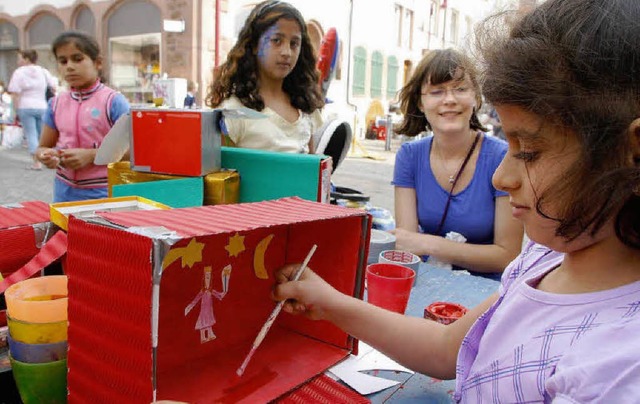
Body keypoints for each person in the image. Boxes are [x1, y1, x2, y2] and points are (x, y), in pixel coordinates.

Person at [272, 0, 640, 400]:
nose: (502, 177)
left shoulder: (616, 373)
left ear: (632, 154)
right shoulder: (542, 259)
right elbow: (448, 348)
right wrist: (329, 302)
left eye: (529, 152)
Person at [391, 49, 523, 279]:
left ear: (476, 97)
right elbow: (406, 244)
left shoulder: (502, 157)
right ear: (421, 103)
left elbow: (507, 255)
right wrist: (417, 244)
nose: (449, 100)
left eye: (460, 89)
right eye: (436, 91)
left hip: (486, 291)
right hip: (429, 280)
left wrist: (428, 244)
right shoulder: (409, 156)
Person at [205, 0, 324, 153]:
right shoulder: (234, 112)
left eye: (294, 43)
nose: (286, 52)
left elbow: (312, 169)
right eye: (276, 41)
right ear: (254, 45)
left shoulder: (305, 107)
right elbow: (221, 173)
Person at [35, 31, 130, 202]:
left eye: (77, 59)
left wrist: (92, 155)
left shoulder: (113, 102)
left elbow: (134, 151)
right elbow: (42, 146)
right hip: (64, 192)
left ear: (98, 63)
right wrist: (46, 156)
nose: (69, 66)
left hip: (105, 192)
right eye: (63, 61)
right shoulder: (56, 104)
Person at [7, 49, 58, 170]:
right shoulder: (43, 71)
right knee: (43, 135)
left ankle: (36, 162)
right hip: (42, 106)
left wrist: (15, 109)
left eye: (20, 58)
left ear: (26, 59)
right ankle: (48, 158)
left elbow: (15, 93)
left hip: (25, 105)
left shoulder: (19, 72)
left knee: (31, 134)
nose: (19, 61)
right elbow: (54, 87)